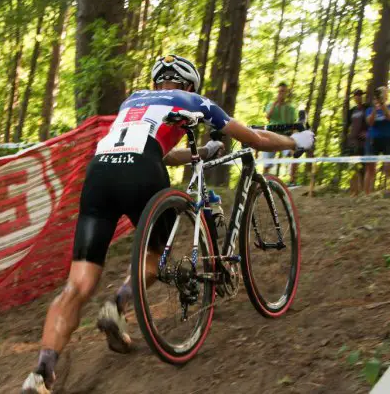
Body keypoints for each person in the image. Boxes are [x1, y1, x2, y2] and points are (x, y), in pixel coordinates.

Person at [21, 55, 315, 393]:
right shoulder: (193, 101)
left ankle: (42, 372)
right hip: (140, 172)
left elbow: (149, 149)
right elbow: (255, 139)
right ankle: (117, 306)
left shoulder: (133, 101)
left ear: (158, 81)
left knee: (77, 286)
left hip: (99, 173)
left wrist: (201, 151)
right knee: (154, 257)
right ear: (190, 85)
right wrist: (296, 142)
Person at [363, 86, 390, 196]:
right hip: (373, 140)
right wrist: (375, 108)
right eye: (379, 94)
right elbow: (370, 122)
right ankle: (367, 195)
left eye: (383, 94)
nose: (381, 96)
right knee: (370, 168)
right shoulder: (369, 109)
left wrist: (382, 105)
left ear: (386, 96)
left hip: (389, 140)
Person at [263, 82, 298, 184]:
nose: (281, 93)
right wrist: (275, 104)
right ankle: (264, 182)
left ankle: (292, 180)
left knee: (294, 153)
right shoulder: (270, 104)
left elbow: (292, 123)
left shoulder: (290, 108)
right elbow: (268, 117)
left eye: (283, 91)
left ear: (286, 93)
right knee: (267, 163)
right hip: (271, 135)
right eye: (280, 91)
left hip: (285, 135)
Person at [344, 89, 369, 196]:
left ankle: (363, 190)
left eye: (360, 95)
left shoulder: (366, 108)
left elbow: (371, 123)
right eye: (356, 95)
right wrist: (346, 138)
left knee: (363, 167)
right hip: (352, 142)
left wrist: (368, 132)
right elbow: (347, 125)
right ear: (354, 98)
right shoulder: (351, 111)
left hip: (363, 142)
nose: (358, 97)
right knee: (352, 166)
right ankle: (353, 190)